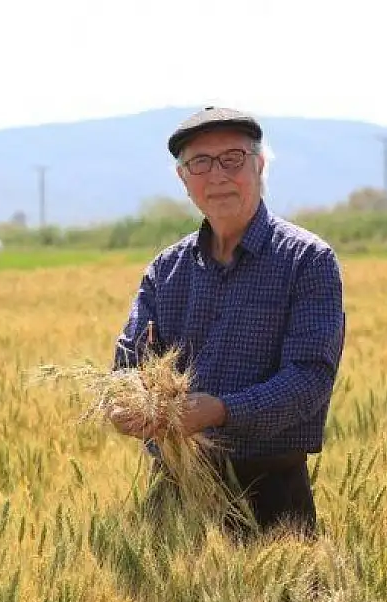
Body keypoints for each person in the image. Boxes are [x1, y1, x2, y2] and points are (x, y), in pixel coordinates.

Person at [107, 105, 346, 540]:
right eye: (200, 162)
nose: (216, 175)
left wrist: (221, 411)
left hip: (272, 499)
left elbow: (309, 379)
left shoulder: (308, 261)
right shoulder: (166, 270)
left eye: (232, 159)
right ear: (183, 179)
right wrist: (125, 404)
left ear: (259, 165)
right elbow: (127, 364)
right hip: (175, 495)